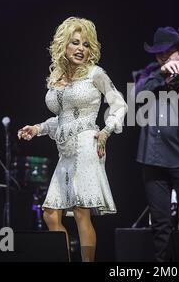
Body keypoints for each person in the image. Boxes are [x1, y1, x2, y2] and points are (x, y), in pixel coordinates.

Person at [18, 17, 127, 262]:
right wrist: (37, 128)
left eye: (86, 45)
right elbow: (63, 119)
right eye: (75, 43)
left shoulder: (95, 74)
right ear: (64, 46)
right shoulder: (58, 78)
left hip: (87, 144)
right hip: (65, 150)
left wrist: (106, 131)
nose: (81, 48)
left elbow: (119, 103)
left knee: (80, 211)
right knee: (50, 214)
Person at [133, 27, 179, 262]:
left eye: (169, 54)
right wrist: (161, 74)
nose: (165, 59)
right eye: (160, 55)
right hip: (153, 159)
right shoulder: (148, 75)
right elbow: (135, 99)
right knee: (160, 224)